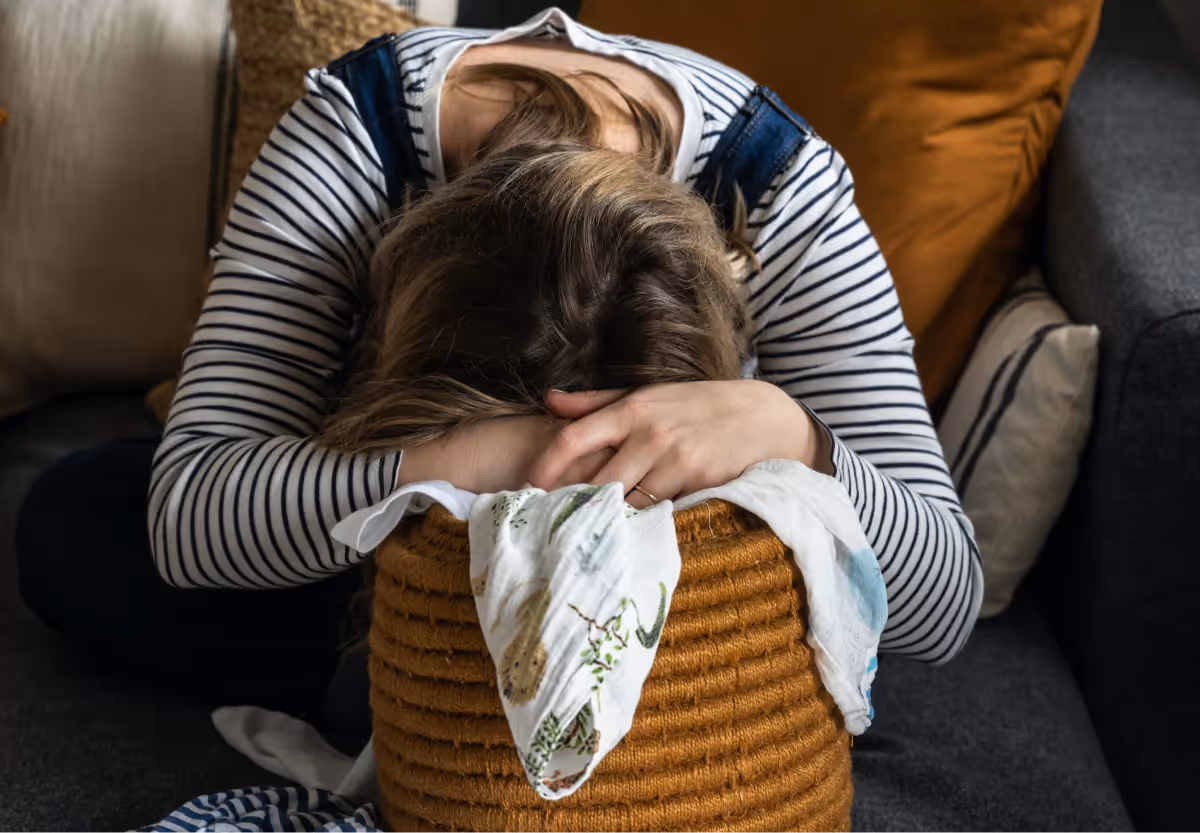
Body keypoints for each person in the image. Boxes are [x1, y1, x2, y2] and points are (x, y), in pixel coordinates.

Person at [16, 8, 981, 718]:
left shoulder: (784, 190)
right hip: (387, 547)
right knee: (76, 520)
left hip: (668, 577)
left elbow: (945, 608)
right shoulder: (359, 139)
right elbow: (192, 518)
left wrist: (789, 434)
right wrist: (464, 465)